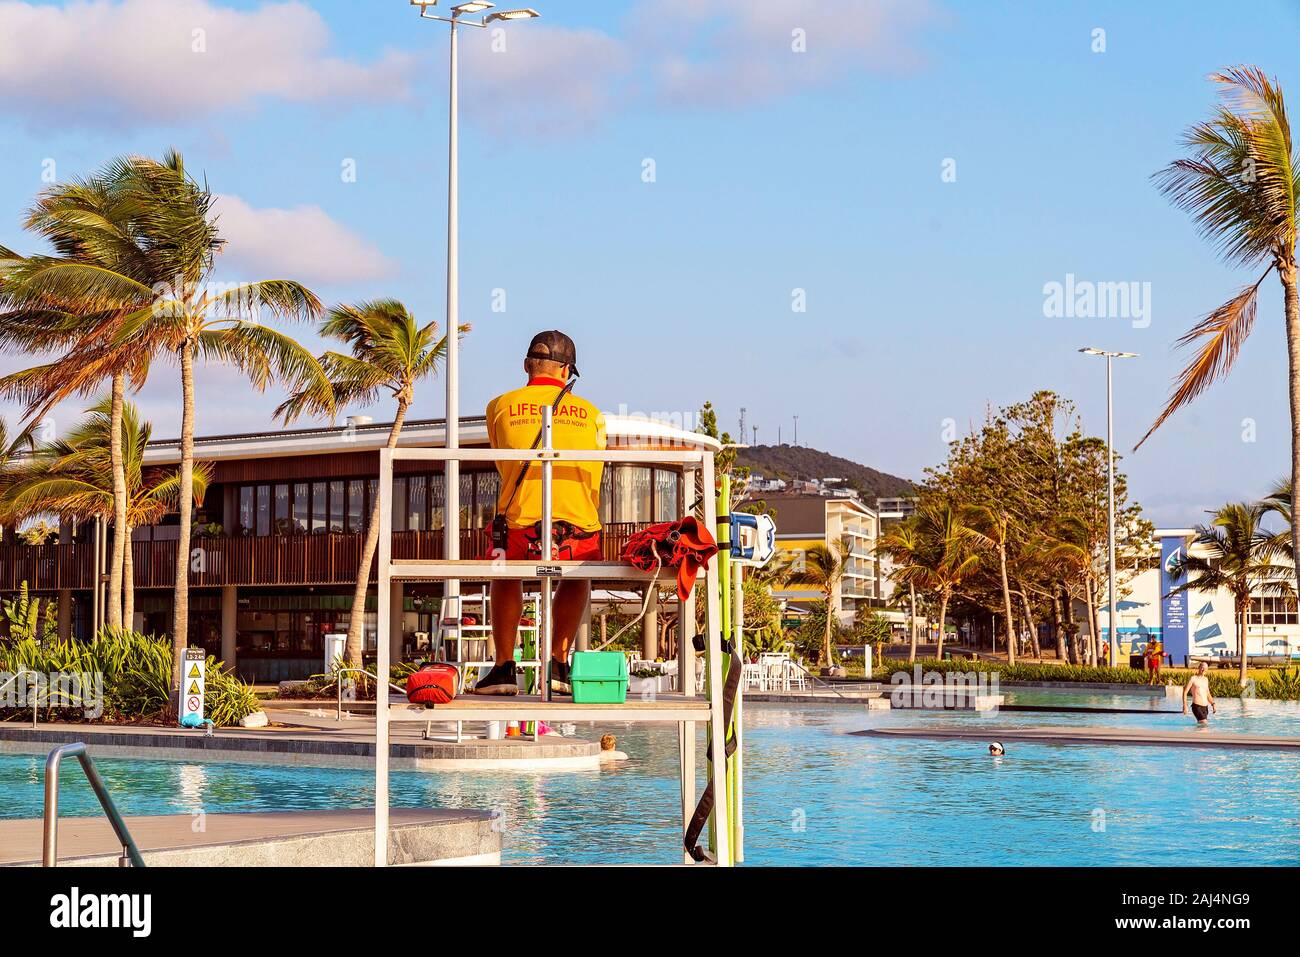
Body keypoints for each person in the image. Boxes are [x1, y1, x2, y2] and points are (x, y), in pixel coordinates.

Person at [473, 331, 606, 697]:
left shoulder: (499, 405)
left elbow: (504, 463)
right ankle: (560, 665)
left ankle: (503, 667)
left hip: (519, 523)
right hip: (578, 525)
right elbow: (594, 477)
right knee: (578, 576)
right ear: (567, 373)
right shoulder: (593, 415)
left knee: (504, 574)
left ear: (527, 365)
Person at [1183, 662, 1217, 726]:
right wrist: (1185, 706)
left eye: (1205, 668)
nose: (1203, 670)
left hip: (1205, 707)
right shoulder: (1193, 678)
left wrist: (1213, 704)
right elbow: (1185, 692)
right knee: (1204, 724)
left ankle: (1195, 734)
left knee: (1202, 726)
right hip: (1196, 706)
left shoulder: (1206, 679)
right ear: (1199, 667)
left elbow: (1208, 694)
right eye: (1202, 668)